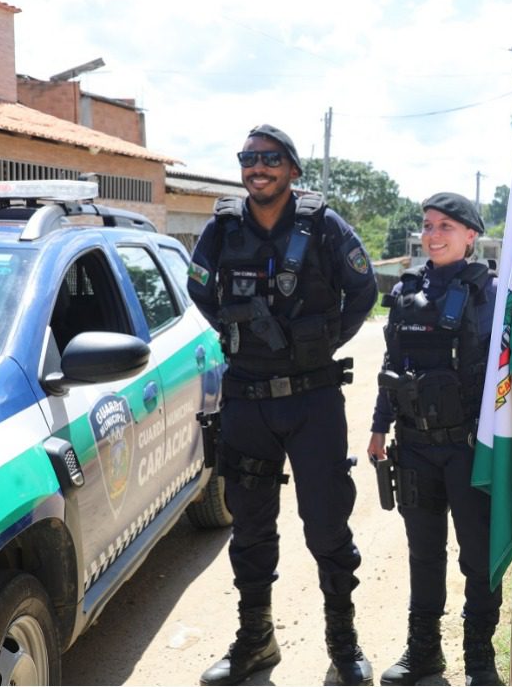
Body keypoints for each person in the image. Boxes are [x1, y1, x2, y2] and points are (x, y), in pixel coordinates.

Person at [188, 124, 378, 686]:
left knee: (326, 527)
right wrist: (232, 332)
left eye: (270, 158)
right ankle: (256, 641)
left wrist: (322, 346)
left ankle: (343, 645)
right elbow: (199, 287)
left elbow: (365, 292)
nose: (258, 167)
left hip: (314, 402)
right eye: (249, 158)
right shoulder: (222, 228)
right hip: (246, 400)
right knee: (248, 528)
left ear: (292, 168)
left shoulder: (323, 225)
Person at [367, 192, 503, 686]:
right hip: (416, 447)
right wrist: (380, 426)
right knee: (424, 552)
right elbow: (391, 366)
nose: (434, 235)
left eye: (446, 226)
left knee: (478, 557)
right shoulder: (406, 291)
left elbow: (507, 366)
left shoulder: (495, 293)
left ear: (471, 235)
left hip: (469, 450)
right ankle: (424, 653)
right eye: (428, 226)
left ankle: (479, 658)